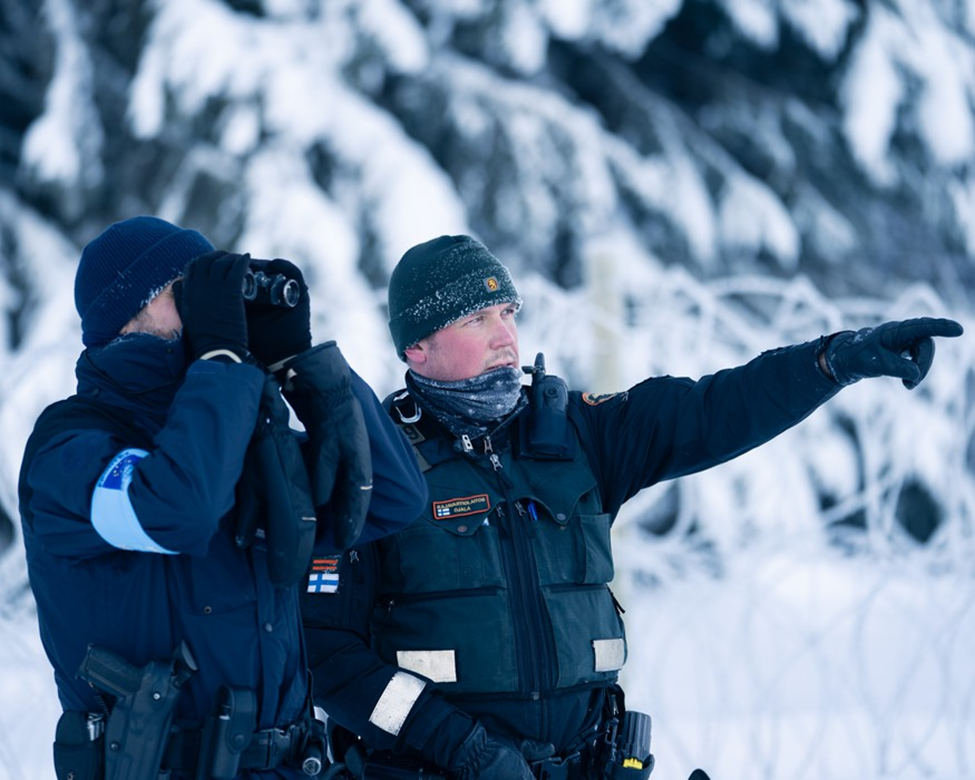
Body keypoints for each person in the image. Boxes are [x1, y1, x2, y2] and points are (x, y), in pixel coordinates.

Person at [300, 234, 964, 780]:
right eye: (477, 318)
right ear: (417, 346)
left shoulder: (576, 434)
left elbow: (712, 409)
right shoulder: (371, 463)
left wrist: (829, 362)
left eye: (508, 314)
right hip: (431, 770)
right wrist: (459, 747)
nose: (504, 335)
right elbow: (326, 655)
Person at [18, 216, 428, 780]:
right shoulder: (67, 448)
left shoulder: (237, 434)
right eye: (189, 290)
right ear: (128, 313)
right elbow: (175, 508)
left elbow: (392, 498)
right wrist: (221, 363)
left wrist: (302, 364)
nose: (215, 309)